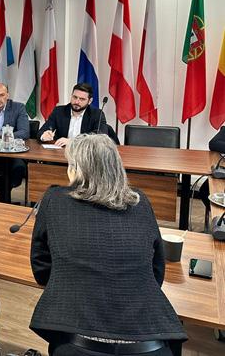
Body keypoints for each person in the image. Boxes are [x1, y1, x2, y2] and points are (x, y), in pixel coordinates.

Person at [30, 134, 187, 356]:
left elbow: (41, 268)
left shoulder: (54, 199)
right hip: (151, 343)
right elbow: (156, 272)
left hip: (76, 344)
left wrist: (70, 282)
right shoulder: (140, 202)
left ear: (77, 170)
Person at [37, 83, 107, 147]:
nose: (77, 102)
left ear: (90, 101)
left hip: (84, 154)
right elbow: (41, 132)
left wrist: (72, 141)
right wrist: (44, 136)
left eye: (82, 99)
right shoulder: (59, 111)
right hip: (60, 152)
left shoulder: (97, 114)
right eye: (75, 97)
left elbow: (100, 138)